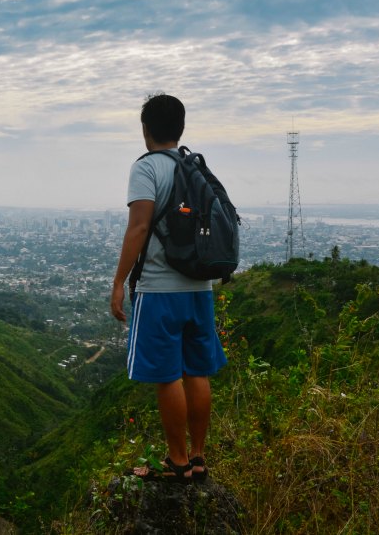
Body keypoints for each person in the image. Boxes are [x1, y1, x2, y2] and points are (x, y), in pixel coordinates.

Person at [110, 93, 228, 483]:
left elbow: (139, 227)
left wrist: (117, 283)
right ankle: (197, 457)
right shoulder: (195, 169)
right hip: (200, 286)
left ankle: (177, 460)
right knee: (197, 371)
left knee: (167, 375)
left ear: (145, 130)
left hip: (160, 288)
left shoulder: (147, 169)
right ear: (179, 129)